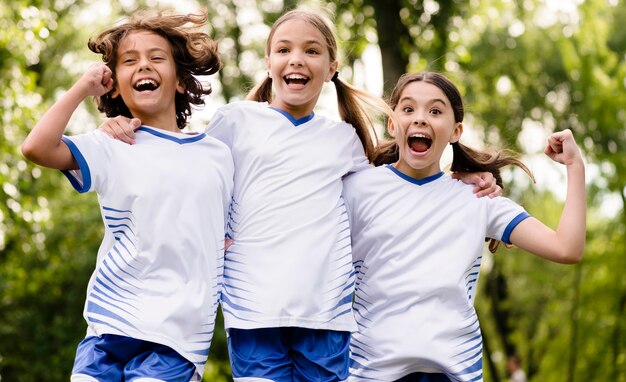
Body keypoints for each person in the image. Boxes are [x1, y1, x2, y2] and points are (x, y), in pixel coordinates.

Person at [99, 10, 500, 381]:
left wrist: (460, 181)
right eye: (284, 49)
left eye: (312, 51)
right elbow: (185, 166)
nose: (296, 59)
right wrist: (119, 122)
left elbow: (391, 191)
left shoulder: (344, 140)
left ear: (331, 68)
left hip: (325, 315)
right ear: (269, 62)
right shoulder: (235, 122)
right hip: (252, 309)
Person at [21, 10, 233, 382]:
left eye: (156, 58)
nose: (143, 66)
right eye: (130, 61)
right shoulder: (112, 145)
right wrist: (82, 89)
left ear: (181, 81)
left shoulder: (218, 154)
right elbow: (36, 148)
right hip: (108, 328)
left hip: (177, 338)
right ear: (114, 85)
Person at [343, 72, 586, 382]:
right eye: (408, 109)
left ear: (455, 131)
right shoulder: (358, 188)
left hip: (454, 372)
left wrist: (575, 167)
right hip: (369, 372)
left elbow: (567, 248)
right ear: (392, 124)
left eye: (435, 111)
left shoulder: (477, 198)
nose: (420, 119)